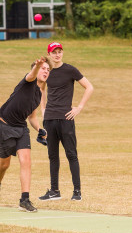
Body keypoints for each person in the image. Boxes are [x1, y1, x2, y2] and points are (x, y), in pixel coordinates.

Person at [0, 56, 51, 212]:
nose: (45, 71)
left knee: (26, 161)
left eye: (48, 70)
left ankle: (24, 200)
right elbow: (31, 74)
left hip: (21, 128)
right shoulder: (28, 81)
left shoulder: (39, 95)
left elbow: (31, 117)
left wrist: (40, 129)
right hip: (4, 126)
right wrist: (37, 66)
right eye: (43, 68)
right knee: (4, 164)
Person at [39, 42, 93, 201]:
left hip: (66, 118)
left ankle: (77, 192)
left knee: (71, 154)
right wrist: (43, 109)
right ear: (49, 54)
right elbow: (41, 88)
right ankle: (54, 191)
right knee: (52, 156)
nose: (57, 55)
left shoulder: (70, 70)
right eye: (54, 52)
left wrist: (79, 107)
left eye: (59, 52)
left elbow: (89, 87)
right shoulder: (46, 71)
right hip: (49, 119)